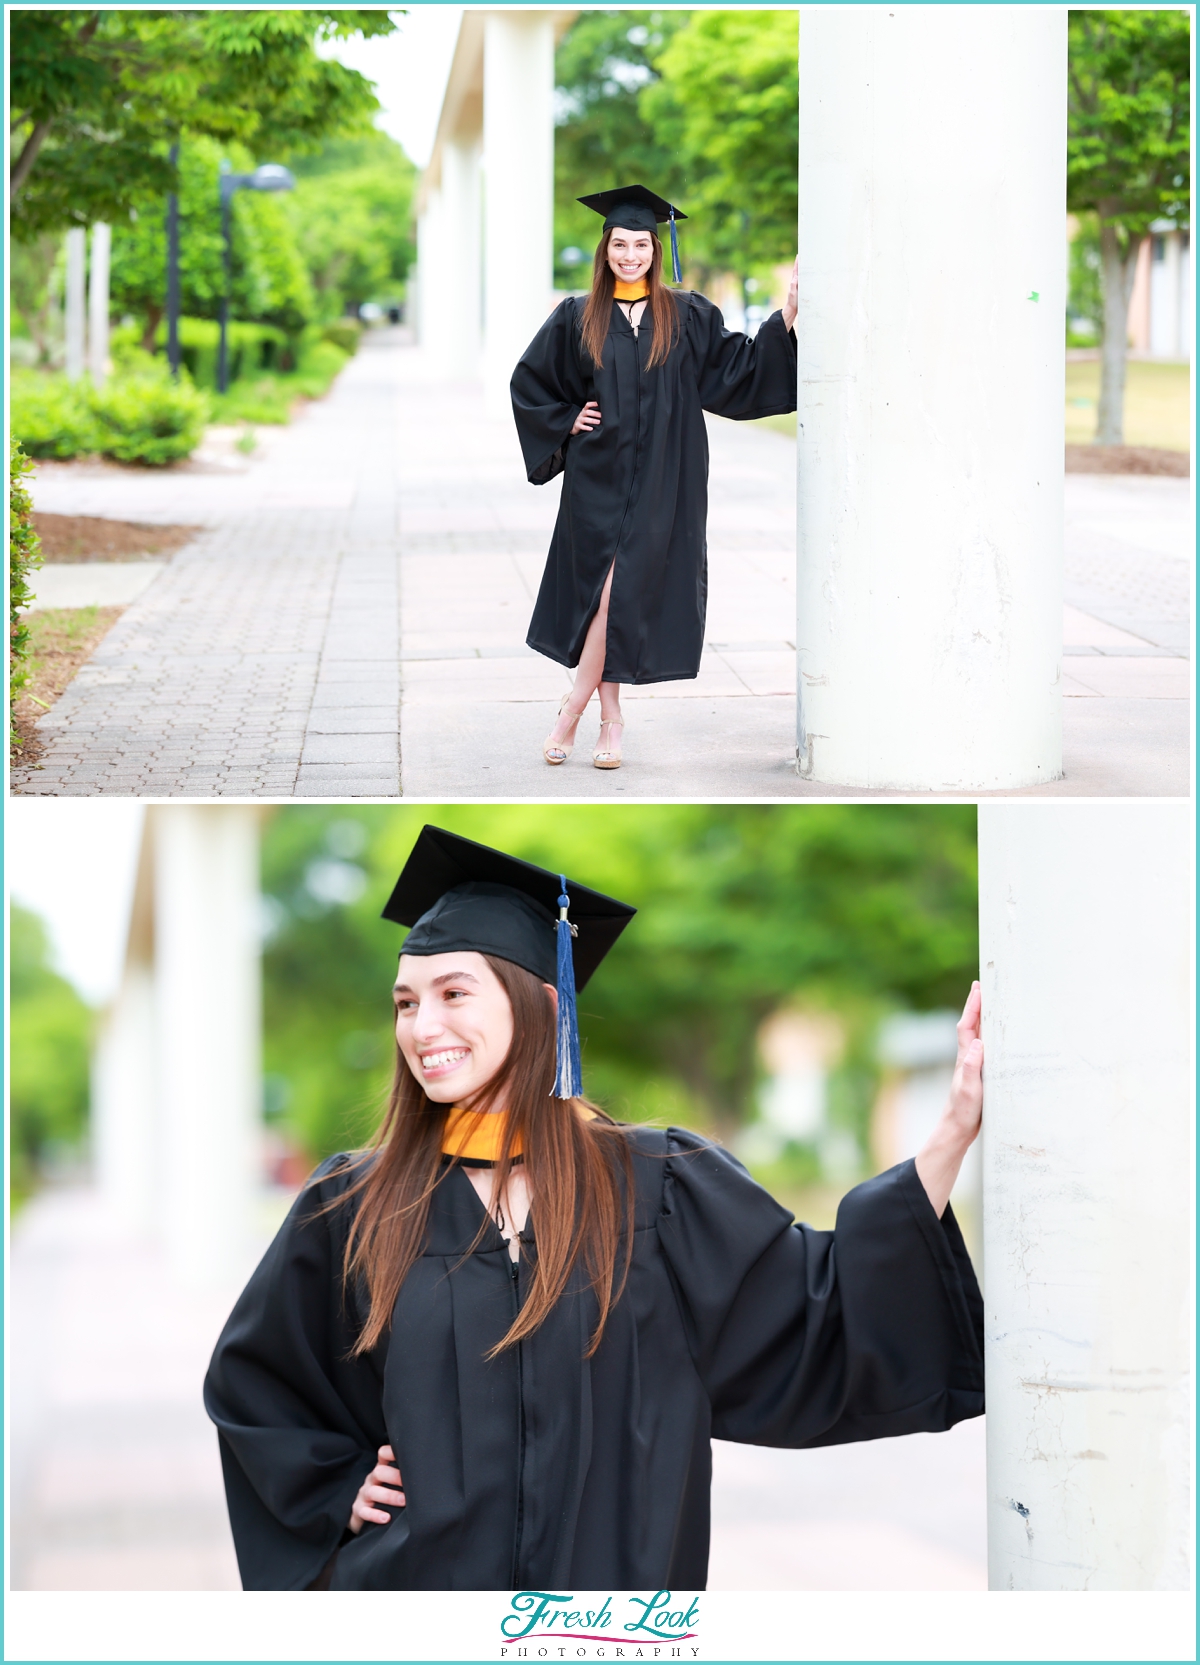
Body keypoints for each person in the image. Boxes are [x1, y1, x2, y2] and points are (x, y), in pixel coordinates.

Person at [205, 825, 985, 1592]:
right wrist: (333, 1486)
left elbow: (818, 1312)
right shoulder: (354, 1204)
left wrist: (952, 1131)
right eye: (407, 1001)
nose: (422, 1026)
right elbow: (258, 1382)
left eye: (453, 994)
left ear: (542, 1003)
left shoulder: (660, 1188)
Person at [510, 186, 800, 769]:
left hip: (668, 474)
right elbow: (531, 383)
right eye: (620, 243)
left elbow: (737, 370)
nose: (630, 254)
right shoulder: (576, 316)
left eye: (640, 244)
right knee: (602, 596)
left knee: (620, 591)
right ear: (605, 248)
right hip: (598, 474)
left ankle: (574, 711)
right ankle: (608, 723)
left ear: (654, 249)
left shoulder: (687, 314)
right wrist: (568, 422)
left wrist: (787, 315)